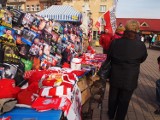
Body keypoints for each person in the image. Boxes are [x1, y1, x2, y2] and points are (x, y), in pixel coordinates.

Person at [106, 20, 148, 120]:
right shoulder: (141, 45)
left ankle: (111, 115)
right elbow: (143, 58)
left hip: (115, 75)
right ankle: (119, 118)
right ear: (137, 29)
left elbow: (109, 56)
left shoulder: (115, 42)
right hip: (130, 77)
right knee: (124, 101)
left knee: (113, 98)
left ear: (126, 29)